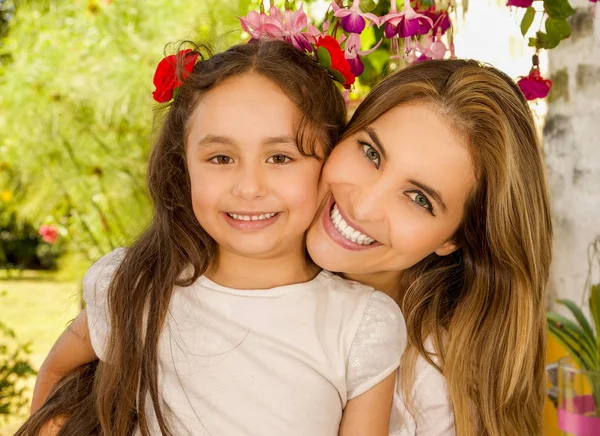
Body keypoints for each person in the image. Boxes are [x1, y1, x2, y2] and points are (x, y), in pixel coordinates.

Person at [22, 39, 406, 436]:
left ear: (328, 160)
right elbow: (56, 375)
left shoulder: (362, 324)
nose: (249, 187)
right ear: (183, 165)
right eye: (221, 158)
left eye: (280, 157)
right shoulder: (139, 284)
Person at [306, 58, 553, 436]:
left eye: (419, 198)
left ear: (453, 238)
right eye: (371, 153)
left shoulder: (430, 386)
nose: (363, 205)